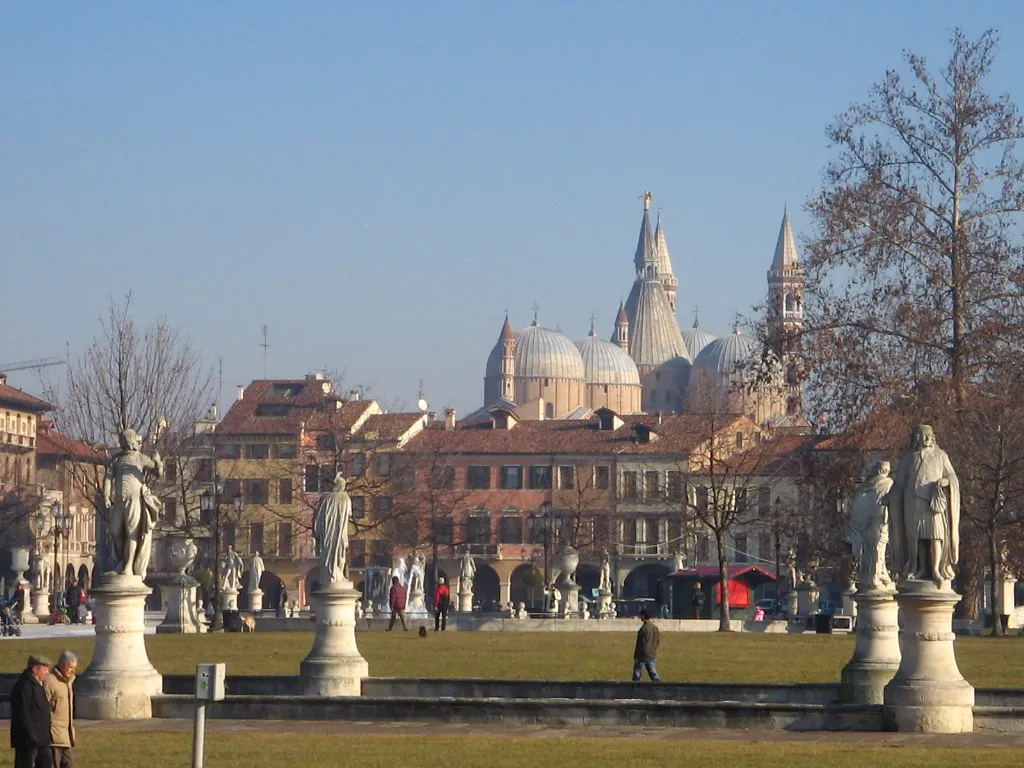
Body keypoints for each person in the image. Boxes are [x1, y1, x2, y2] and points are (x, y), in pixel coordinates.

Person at [888, 424, 961, 585]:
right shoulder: (908, 459)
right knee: (917, 537)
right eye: (923, 435)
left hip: (933, 501)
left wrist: (946, 481)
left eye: (929, 435)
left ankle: (935, 568)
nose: (927, 438)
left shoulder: (940, 456)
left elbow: (953, 476)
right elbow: (899, 482)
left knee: (935, 535)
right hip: (912, 501)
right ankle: (918, 567)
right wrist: (891, 497)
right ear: (916, 438)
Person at [104, 426, 164, 579]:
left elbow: (157, 474)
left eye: (123, 439)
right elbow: (109, 477)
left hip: (134, 499)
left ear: (129, 440)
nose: (121, 442)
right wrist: (106, 495)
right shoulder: (116, 458)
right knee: (115, 531)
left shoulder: (140, 457)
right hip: (118, 501)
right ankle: (121, 561)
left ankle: (128, 566)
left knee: (132, 532)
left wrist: (158, 463)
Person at [10, 654, 52, 768]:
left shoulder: (38, 685)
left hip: (42, 739)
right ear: (35, 669)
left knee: (46, 763)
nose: (47, 673)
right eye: (44, 669)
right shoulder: (24, 687)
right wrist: (32, 736)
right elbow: (23, 714)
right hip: (28, 740)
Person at [313, 473, 351, 585]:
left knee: (327, 555)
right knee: (340, 554)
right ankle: (338, 575)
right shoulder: (345, 498)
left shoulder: (325, 499)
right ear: (341, 486)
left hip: (327, 535)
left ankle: (329, 577)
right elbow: (349, 514)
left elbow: (318, 518)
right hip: (339, 533)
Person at [43, 651, 76, 768]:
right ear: (62, 666)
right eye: (70, 667)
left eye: (74, 668)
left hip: (66, 734)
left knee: (68, 763)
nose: (72, 671)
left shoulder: (69, 681)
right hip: (53, 735)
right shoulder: (50, 681)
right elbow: (42, 706)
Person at [632, 609, 661, 682]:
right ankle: (659, 686)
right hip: (652, 653)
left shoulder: (643, 629)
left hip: (643, 654)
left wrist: (636, 655)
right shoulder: (655, 627)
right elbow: (657, 640)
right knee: (653, 673)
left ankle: (634, 688)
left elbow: (640, 643)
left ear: (643, 616)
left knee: (637, 673)